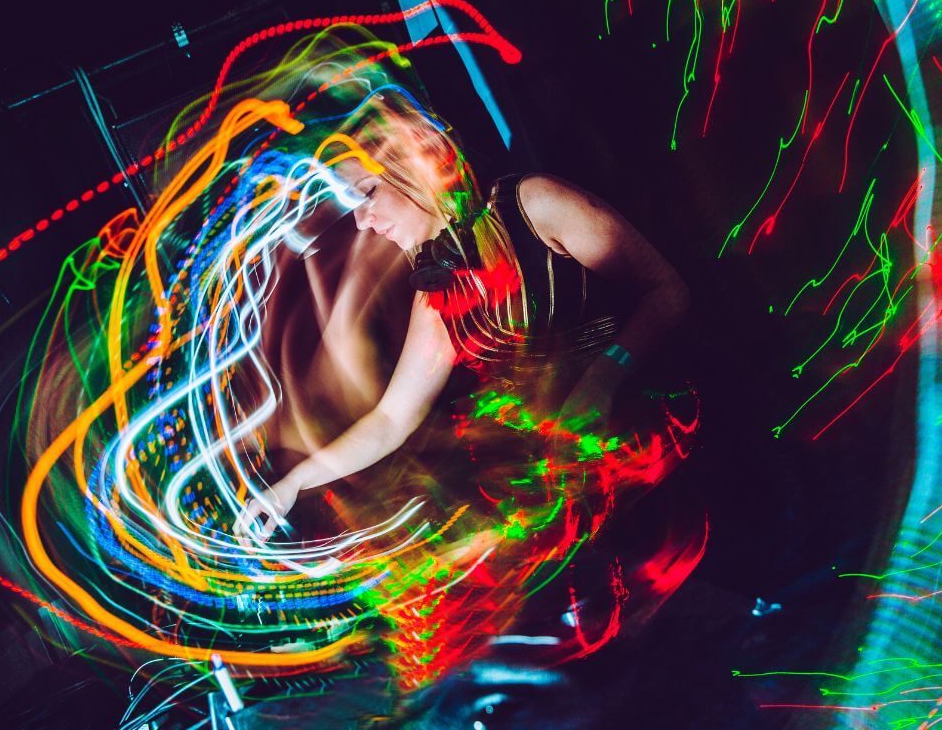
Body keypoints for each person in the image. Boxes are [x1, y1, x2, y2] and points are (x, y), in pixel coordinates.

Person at [236, 96, 689, 539]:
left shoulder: (534, 205)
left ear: (415, 161)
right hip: (586, 491)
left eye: (368, 193)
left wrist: (604, 377)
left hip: (659, 453)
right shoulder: (437, 293)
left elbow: (668, 292)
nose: (361, 221)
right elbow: (392, 419)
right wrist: (291, 485)